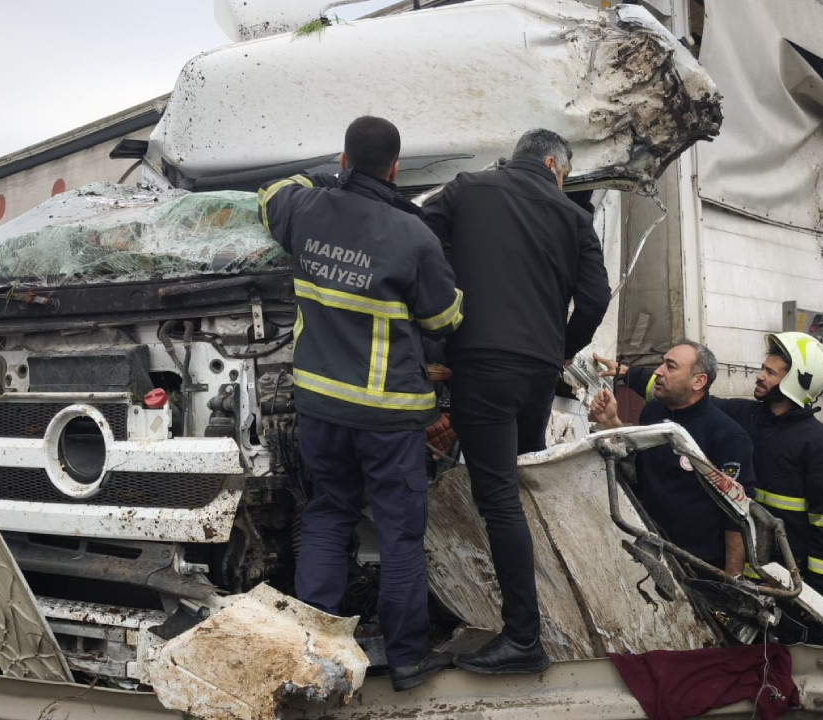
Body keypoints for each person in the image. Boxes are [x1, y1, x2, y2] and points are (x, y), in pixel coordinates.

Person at [258, 116, 464, 691]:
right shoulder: (413, 235)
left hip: (320, 406)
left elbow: (273, 191)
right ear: (395, 168)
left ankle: (312, 657)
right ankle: (407, 659)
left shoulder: (306, 210)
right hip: (388, 415)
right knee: (400, 536)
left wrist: (329, 179)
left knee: (327, 514)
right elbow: (444, 318)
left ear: (344, 158)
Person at [420, 129, 611, 675]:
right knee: (520, 489)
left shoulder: (466, 188)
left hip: (483, 363)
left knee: (499, 499)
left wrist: (440, 329)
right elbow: (595, 298)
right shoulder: (574, 217)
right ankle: (546, 615)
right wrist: (558, 348)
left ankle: (524, 638)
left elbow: (420, 243)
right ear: (553, 164)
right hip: (536, 373)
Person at [710, 333, 823, 616]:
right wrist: (632, 375)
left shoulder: (818, 442)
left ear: (797, 382)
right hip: (750, 580)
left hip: (791, 589)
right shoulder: (746, 415)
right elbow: (695, 402)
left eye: (770, 372)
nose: (759, 376)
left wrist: (815, 599)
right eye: (763, 368)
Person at [590, 341, 756, 576]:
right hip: (649, 549)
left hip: (698, 567)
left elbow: (737, 518)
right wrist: (611, 423)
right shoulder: (653, 412)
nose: (658, 371)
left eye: (670, 366)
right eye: (662, 364)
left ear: (698, 381)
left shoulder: (728, 436)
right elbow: (636, 466)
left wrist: (731, 581)